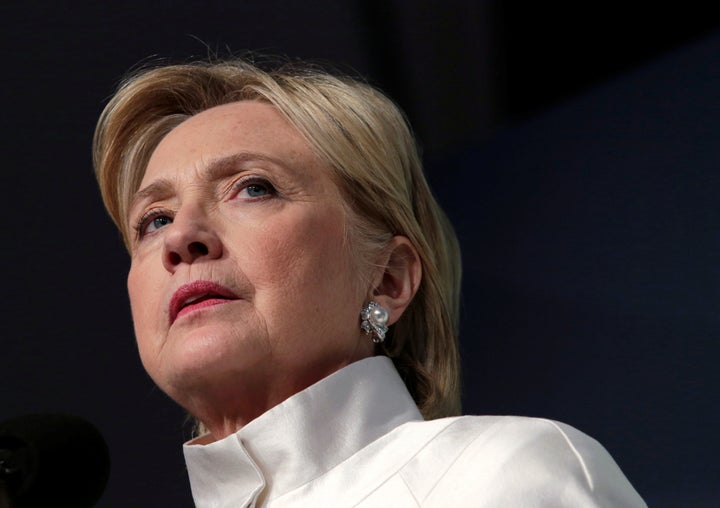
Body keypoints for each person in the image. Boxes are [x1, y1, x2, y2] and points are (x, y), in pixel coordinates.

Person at [93, 59, 647, 507]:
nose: (181, 238)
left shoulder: (500, 474)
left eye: (253, 188)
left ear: (388, 278)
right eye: (154, 220)